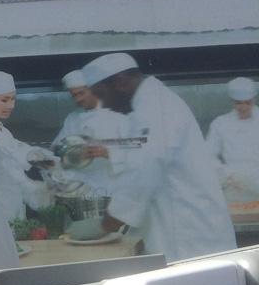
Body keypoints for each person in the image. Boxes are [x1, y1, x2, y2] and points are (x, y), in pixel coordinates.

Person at [79, 52, 235, 261]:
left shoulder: (153, 109)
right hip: (187, 229)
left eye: (102, 95)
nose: (104, 105)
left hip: (190, 236)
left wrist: (107, 223)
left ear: (120, 82)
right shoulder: (154, 102)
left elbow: (143, 169)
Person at [0, 69, 53, 223]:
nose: (11, 105)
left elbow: (20, 156)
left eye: (13, 99)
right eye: (5, 100)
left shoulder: (3, 130)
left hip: (12, 211)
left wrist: (51, 161)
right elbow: (14, 154)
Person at [52, 68, 129, 198]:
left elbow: (141, 150)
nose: (78, 99)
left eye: (81, 93)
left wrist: (109, 153)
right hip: (84, 191)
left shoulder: (120, 117)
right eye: (74, 95)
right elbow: (57, 150)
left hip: (115, 189)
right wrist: (71, 154)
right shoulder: (73, 118)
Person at [205, 76, 259, 202]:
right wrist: (226, 174)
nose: (243, 107)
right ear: (232, 101)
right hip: (233, 184)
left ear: (254, 100)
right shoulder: (221, 123)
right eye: (238, 103)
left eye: (247, 102)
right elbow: (207, 155)